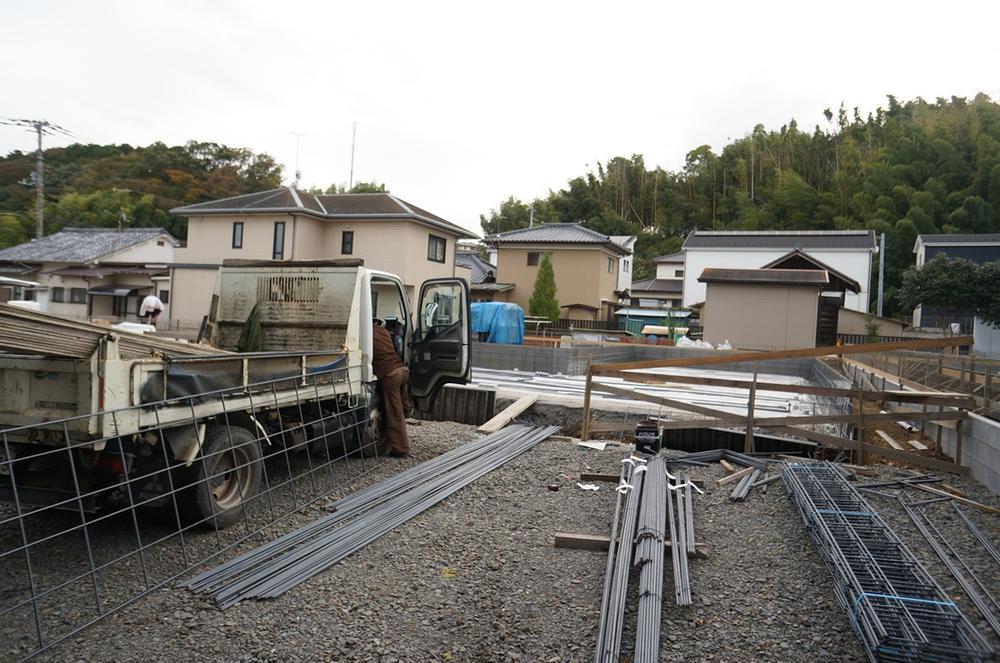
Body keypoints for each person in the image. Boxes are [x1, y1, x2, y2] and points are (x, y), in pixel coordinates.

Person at [371, 323, 410, 457]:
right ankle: (407, 408)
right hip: (402, 371)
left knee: (394, 413)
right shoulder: (383, 331)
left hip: (390, 375)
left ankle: (401, 449)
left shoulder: (364, 332)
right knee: (400, 409)